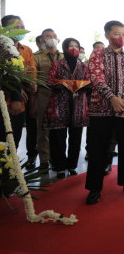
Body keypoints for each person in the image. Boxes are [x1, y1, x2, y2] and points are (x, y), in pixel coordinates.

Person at [85, 20, 124, 205]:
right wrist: (112, 98)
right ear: (107, 35)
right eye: (116, 34)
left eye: (123, 34)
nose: (120, 37)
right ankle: (95, 188)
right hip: (101, 111)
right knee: (97, 150)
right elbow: (96, 77)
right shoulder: (98, 55)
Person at [43, 38, 89, 178]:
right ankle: (60, 167)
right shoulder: (57, 64)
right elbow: (49, 81)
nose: (74, 48)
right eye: (70, 46)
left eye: (76, 46)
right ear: (64, 48)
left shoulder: (84, 66)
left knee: (75, 138)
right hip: (58, 104)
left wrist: (82, 85)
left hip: (78, 105)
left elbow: (90, 82)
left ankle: (72, 165)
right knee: (58, 138)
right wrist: (62, 84)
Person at [1, 15, 36, 157]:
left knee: (14, 140)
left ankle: (11, 174)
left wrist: (33, 84)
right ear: (5, 29)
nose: (20, 29)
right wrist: (17, 91)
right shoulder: (2, 47)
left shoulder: (26, 50)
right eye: (15, 27)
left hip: (20, 105)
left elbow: (31, 72)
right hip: (5, 101)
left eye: (22, 27)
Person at [34, 28, 64, 170]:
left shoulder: (64, 56)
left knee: (60, 130)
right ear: (42, 39)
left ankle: (58, 158)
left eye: (53, 36)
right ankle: (44, 160)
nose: (51, 38)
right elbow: (32, 78)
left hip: (62, 96)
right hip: (43, 95)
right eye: (48, 36)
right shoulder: (36, 57)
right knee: (43, 129)